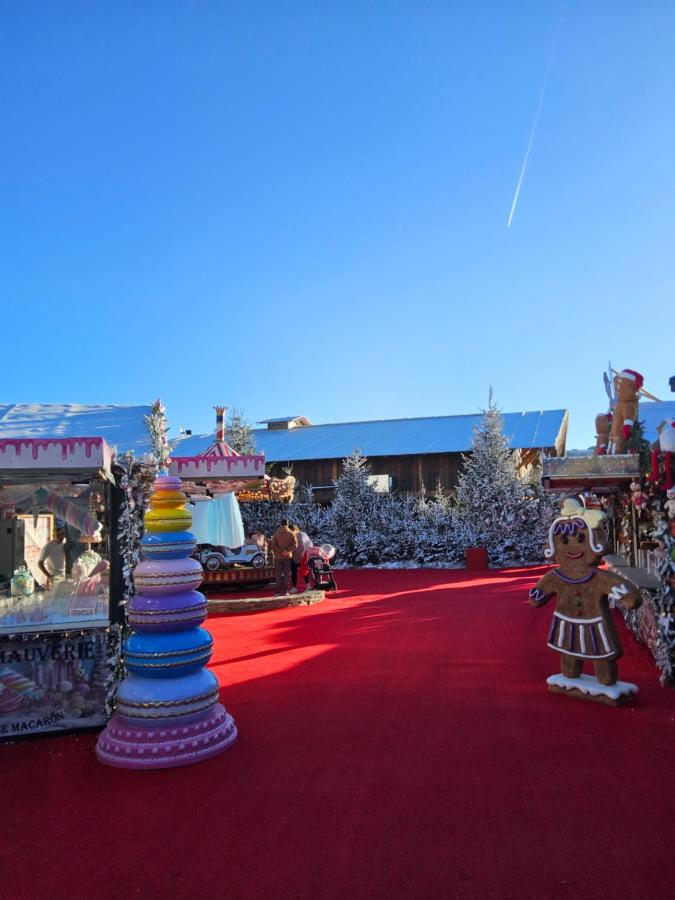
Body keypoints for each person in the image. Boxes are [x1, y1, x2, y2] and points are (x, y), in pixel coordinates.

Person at [269, 519, 297, 596]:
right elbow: (295, 545)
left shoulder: (276, 533)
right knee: (286, 574)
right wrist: (287, 551)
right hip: (288, 556)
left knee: (278, 575)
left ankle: (277, 591)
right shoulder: (291, 533)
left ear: (280, 524)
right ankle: (286, 591)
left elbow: (273, 546)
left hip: (278, 557)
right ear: (287, 524)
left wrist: (281, 551)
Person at [37, 524, 68, 588]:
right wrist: (49, 576)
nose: (61, 537)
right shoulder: (48, 546)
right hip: (54, 576)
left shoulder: (65, 543)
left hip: (65, 575)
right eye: (58, 535)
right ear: (54, 535)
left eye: (62, 535)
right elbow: (40, 564)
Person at [290, 524, 312, 594]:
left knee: (304, 570)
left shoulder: (302, 534)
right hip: (293, 556)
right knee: (293, 572)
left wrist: (305, 551)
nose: (291, 532)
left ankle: (308, 585)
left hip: (302, 556)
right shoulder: (289, 536)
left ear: (295, 529)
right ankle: (294, 587)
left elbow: (309, 543)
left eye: (292, 530)